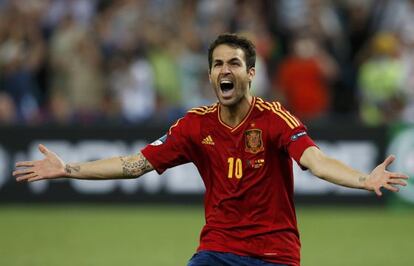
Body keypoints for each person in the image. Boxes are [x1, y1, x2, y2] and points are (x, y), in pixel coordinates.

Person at [13, 33, 408, 266]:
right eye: (218, 64)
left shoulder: (274, 118)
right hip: (218, 249)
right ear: (209, 74)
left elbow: (316, 161)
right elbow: (134, 164)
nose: (225, 70)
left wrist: (363, 179)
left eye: (234, 63)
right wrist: (69, 169)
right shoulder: (194, 125)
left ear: (250, 73)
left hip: (276, 253)